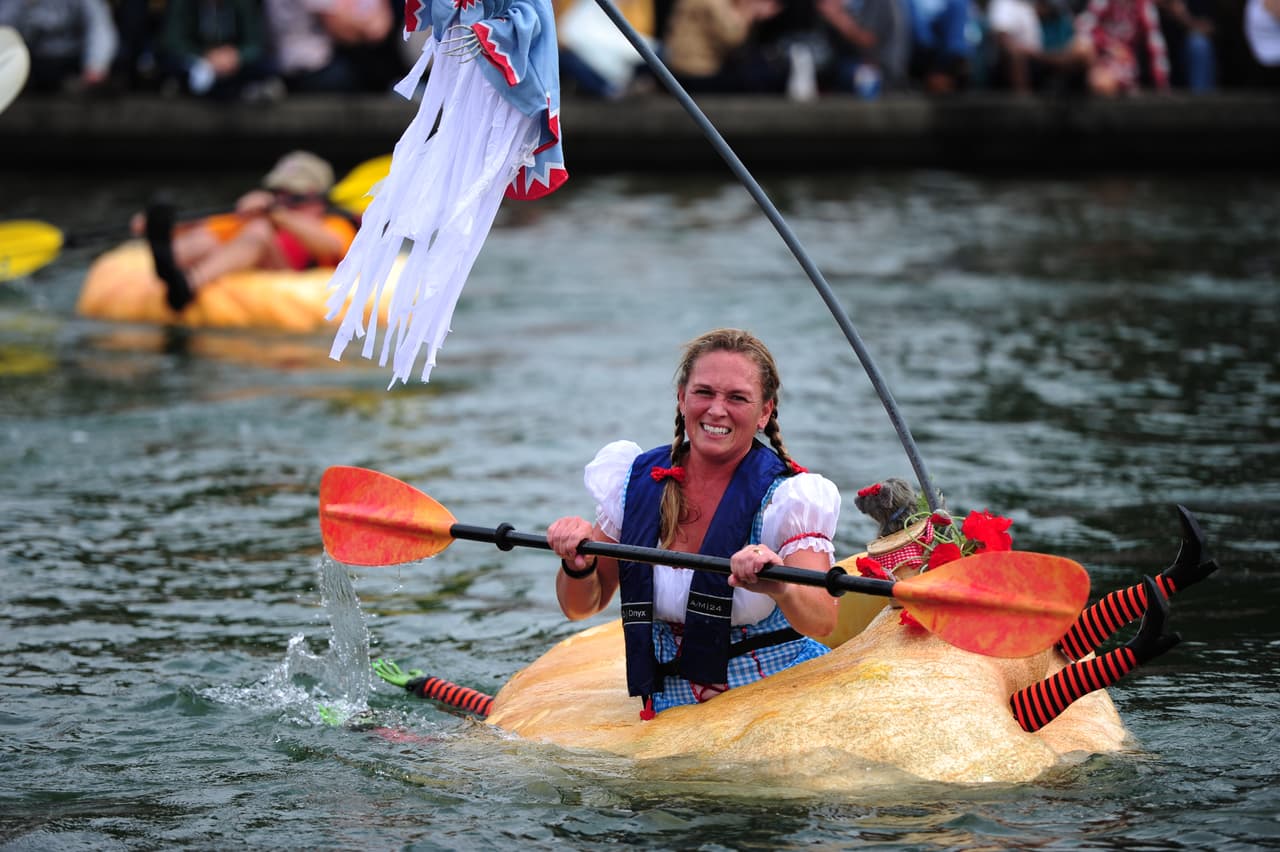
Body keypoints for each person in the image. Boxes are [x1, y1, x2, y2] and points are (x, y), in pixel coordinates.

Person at [546, 329, 841, 719]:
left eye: (737, 397)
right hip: (671, 707)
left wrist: (781, 585)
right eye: (704, 393)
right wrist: (576, 563)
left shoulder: (789, 499)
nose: (717, 410)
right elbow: (582, 606)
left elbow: (823, 619)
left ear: (765, 412)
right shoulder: (634, 483)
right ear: (682, 398)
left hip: (778, 695)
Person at [853, 477, 1219, 734]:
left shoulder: (914, 543)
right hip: (963, 659)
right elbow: (898, 590)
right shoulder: (898, 553)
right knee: (1025, 703)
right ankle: (1138, 646)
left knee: (1064, 642)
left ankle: (1176, 578)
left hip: (957, 623)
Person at [138, 151, 358, 312]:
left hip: (294, 279)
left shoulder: (333, 223)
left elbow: (331, 246)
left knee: (259, 232)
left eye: (292, 194)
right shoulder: (263, 217)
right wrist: (165, 225)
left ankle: (189, 284)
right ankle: (168, 268)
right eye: (277, 192)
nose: (282, 199)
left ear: (317, 199)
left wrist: (277, 213)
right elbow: (212, 227)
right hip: (255, 261)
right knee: (213, 239)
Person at [154, 0, 280, 100]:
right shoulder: (183, 3)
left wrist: (237, 55)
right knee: (169, 62)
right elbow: (172, 41)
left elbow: (255, 43)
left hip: (232, 63)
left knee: (267, 64)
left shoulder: (243, 3)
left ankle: (248, 89)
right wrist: (206, 55)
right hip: (197, 61)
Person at [663, 0, 789, 92]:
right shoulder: (714, 3)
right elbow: (733, 38)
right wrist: (749, 11)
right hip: (693, 72)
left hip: (688, 68)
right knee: (763, 78)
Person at [0, 0, 119, 94]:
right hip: (32, 61)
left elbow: (99, 28)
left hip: (71, 60)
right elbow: (4, 30)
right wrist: (25, 6)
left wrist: (96, 65)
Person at [1072, 0, 1172, 95]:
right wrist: (1109, 45)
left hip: (1125, 62)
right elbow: (1083, 25)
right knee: (1080, 47)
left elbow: (1157, 47)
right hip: (1099, 57)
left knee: (1100, 82)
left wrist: (1162, 84)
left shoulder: (1145, 5)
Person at [815, 0, 913, 97]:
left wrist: (836, 16)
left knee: (844, 73)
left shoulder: (880, 2)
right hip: (865, 65)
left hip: (884, 73)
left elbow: (868, 40)